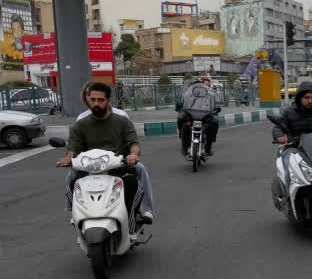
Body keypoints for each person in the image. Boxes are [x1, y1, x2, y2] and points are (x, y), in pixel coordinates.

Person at [58, 82, 155, 224]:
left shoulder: (122, 121)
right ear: (88, 100)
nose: (96, 103)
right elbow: (73, 149)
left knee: (140, 169)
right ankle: (74, 210)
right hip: (89, 168)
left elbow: (134, 143)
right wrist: (67, 158)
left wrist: (133, 155)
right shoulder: (80, 125)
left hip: (118, 166)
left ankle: (145, 210)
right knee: (70, 177)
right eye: (93, 99)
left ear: (108, 101)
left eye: (101, 100)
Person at [176, 74, 222, 158]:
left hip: (204, 115)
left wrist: (215, 108)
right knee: (182, 123)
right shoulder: (187, 94)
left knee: (214, 123)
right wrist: (179, 107)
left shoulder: (208, 93)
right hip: (190, 115)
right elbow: (181, 103)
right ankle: (184, 147)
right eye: (193, 85)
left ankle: (208, 147)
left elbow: (213, 103)